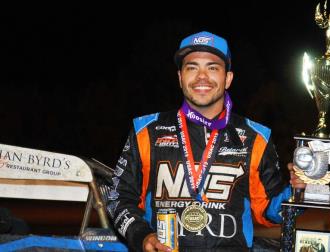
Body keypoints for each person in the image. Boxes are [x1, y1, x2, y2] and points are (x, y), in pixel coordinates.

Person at [107, 31, 306, 252]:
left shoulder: (255, 137)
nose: (202, 76)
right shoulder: (146, 131)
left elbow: (271, 211)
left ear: (227, 78)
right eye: (192, 67)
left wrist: (299, 191)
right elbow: (118, 199)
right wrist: (142, 236)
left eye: (212, 68)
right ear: (180, 77)